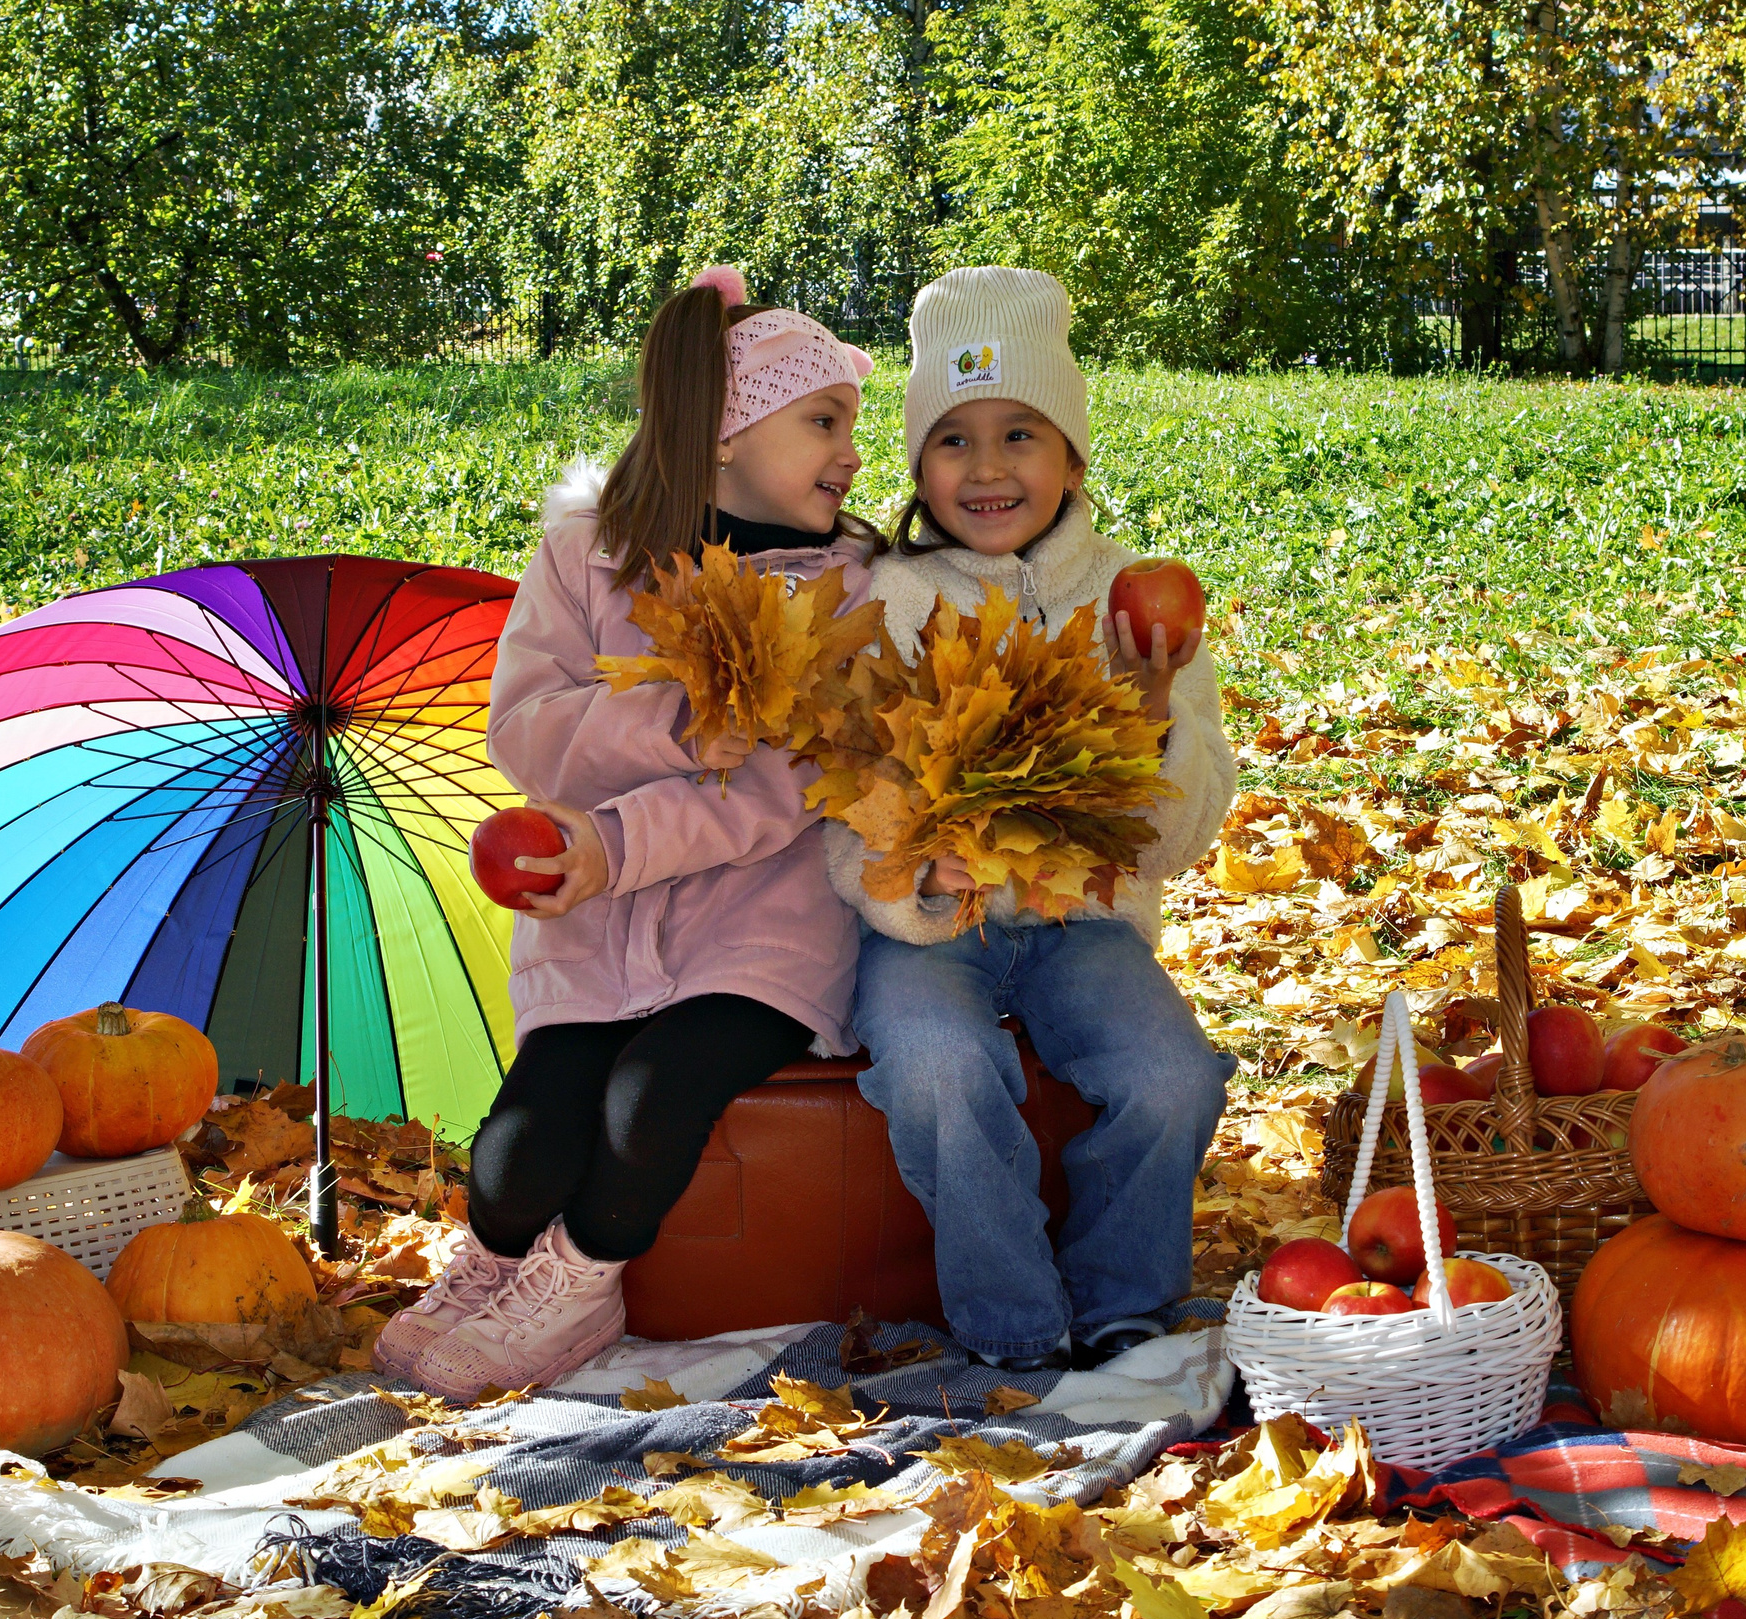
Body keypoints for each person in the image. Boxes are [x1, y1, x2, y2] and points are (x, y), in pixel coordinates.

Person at [377, 266, 881, 1399]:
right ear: (721, 437)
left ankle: (582, 1278)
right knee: (511, 1161)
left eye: (852, 426)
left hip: (761, 927)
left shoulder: (843, 590)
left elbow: (775, 794)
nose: (853, 452)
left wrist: (613, 846)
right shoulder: (584, 555)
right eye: (824, 422)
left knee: (650, 1100)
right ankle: (499, 1258)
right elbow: (526, 727)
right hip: (594, 928)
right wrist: (669, 715)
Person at [827, 266, 1236, 1375]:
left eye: (1021, 433)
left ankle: (1122, 1298)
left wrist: (1152, 721)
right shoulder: (887, 600)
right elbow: (840, 793)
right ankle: (1013, 1323)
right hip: (932, 933)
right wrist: (912, 879)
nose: (989, 467)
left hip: (1086, 928)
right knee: (933, 1066)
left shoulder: (1132, 600)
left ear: (1071, 455)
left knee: (1172, 1076)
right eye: (953, 440)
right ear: (916, 464)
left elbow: (1177, 842)